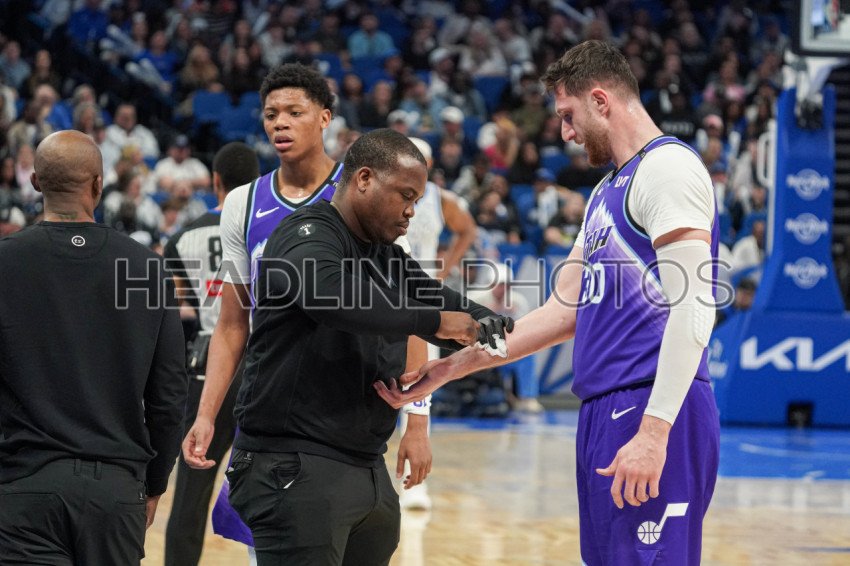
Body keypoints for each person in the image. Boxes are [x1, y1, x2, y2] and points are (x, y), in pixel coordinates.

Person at [376, 40, 721, 566]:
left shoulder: (667, 169)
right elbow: (562, 313)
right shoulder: (605, 192)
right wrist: (453, 366)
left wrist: (654, 432)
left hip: (652, 405)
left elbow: (695, 307)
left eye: (567, 115)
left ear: (601, 101)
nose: (565, 133)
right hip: (604, 409)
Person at [185, 128, 510, 565]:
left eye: (417, 200)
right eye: (405, 196)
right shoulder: (304, 234)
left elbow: (434, 296)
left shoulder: (385, 253)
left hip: (365, 464)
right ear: (364, 179)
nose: (412, 210)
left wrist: (488, 321)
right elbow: (336, 298)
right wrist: (437, 322)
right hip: (294, 462)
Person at [0, 130, 187, 564]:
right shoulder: (145, 267)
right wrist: (155, 483)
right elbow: (169, 395)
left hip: (24, 486)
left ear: (36, 182)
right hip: (116, 490)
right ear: (99, 184)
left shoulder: (5, 262)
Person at [163, 142, 260, 566]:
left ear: (215, 181)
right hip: (262, 364)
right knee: (274, 485)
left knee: (190, 493)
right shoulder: (270, 228)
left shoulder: (183, 237)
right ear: (259, 182)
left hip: (206, 366)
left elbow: (179, 307)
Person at [397, 137, 478, 510]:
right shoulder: (383, 194)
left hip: (423, 301)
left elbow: (468, 230)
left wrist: (445, 269)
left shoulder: (439, 199)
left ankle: (414, 484)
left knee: (418, 387)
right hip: (381, 299)